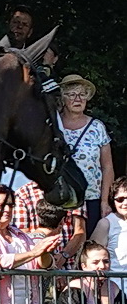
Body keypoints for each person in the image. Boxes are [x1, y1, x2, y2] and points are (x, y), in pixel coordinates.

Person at [56, 74, 113, 230]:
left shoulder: (97, 127)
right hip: (60, 199)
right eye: (72, 94)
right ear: (63, 98)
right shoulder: (54, 125)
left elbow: (107, 167)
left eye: (82, 95)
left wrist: (104, 201)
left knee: (89, 247)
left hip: (91, 200)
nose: (78, 99)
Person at [90, 181, 127, 271]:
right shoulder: (106, 223)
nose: (125, 203)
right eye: (120, 199)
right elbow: (92, 257)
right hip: (114, 282)